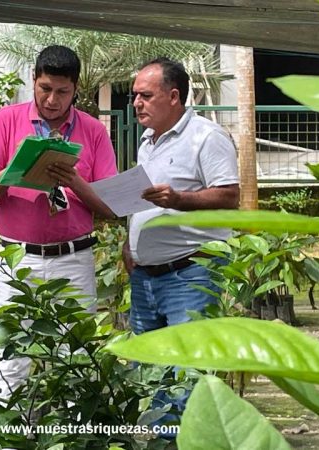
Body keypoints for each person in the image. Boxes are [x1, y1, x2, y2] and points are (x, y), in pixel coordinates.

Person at [0, 45, 117, 403]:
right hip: (17, 259)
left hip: (74, 258)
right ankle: (9, 439)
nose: (52, 99)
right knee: (12, 358)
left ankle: (76, 437)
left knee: (79, 355)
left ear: (76, 89)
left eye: (62, 92)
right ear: (33, 81)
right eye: (45, 89)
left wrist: (72, 180)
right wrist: (19, 167)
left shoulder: (94, 131)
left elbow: (111, 208)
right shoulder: (5, 120)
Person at [123, 57, 240, 430]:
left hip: (190, 274)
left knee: (185, 380)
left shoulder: (207, 136)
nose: (137, 103)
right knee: (151, 374)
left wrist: (180, 200)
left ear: (173, 96)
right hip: (145, 277)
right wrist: (131, 244)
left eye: (145, 95)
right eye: (134, 96)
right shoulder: (146, 141)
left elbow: (229, 196)